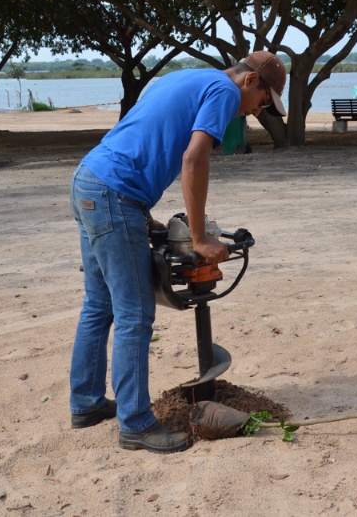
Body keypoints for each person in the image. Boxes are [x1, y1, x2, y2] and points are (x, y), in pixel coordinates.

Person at [68, 51, 287, 453]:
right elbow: (194, 157)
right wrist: (201, 237)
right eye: (262, 103)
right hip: (115, 194)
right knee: (134, 311)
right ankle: (135, 424)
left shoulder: (186, 78)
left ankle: (86, 403)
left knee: (99, 304)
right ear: (251, 80)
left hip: (91, 180)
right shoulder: (223, 90)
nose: (256, 113)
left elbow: (142, 136)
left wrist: (139, 211)